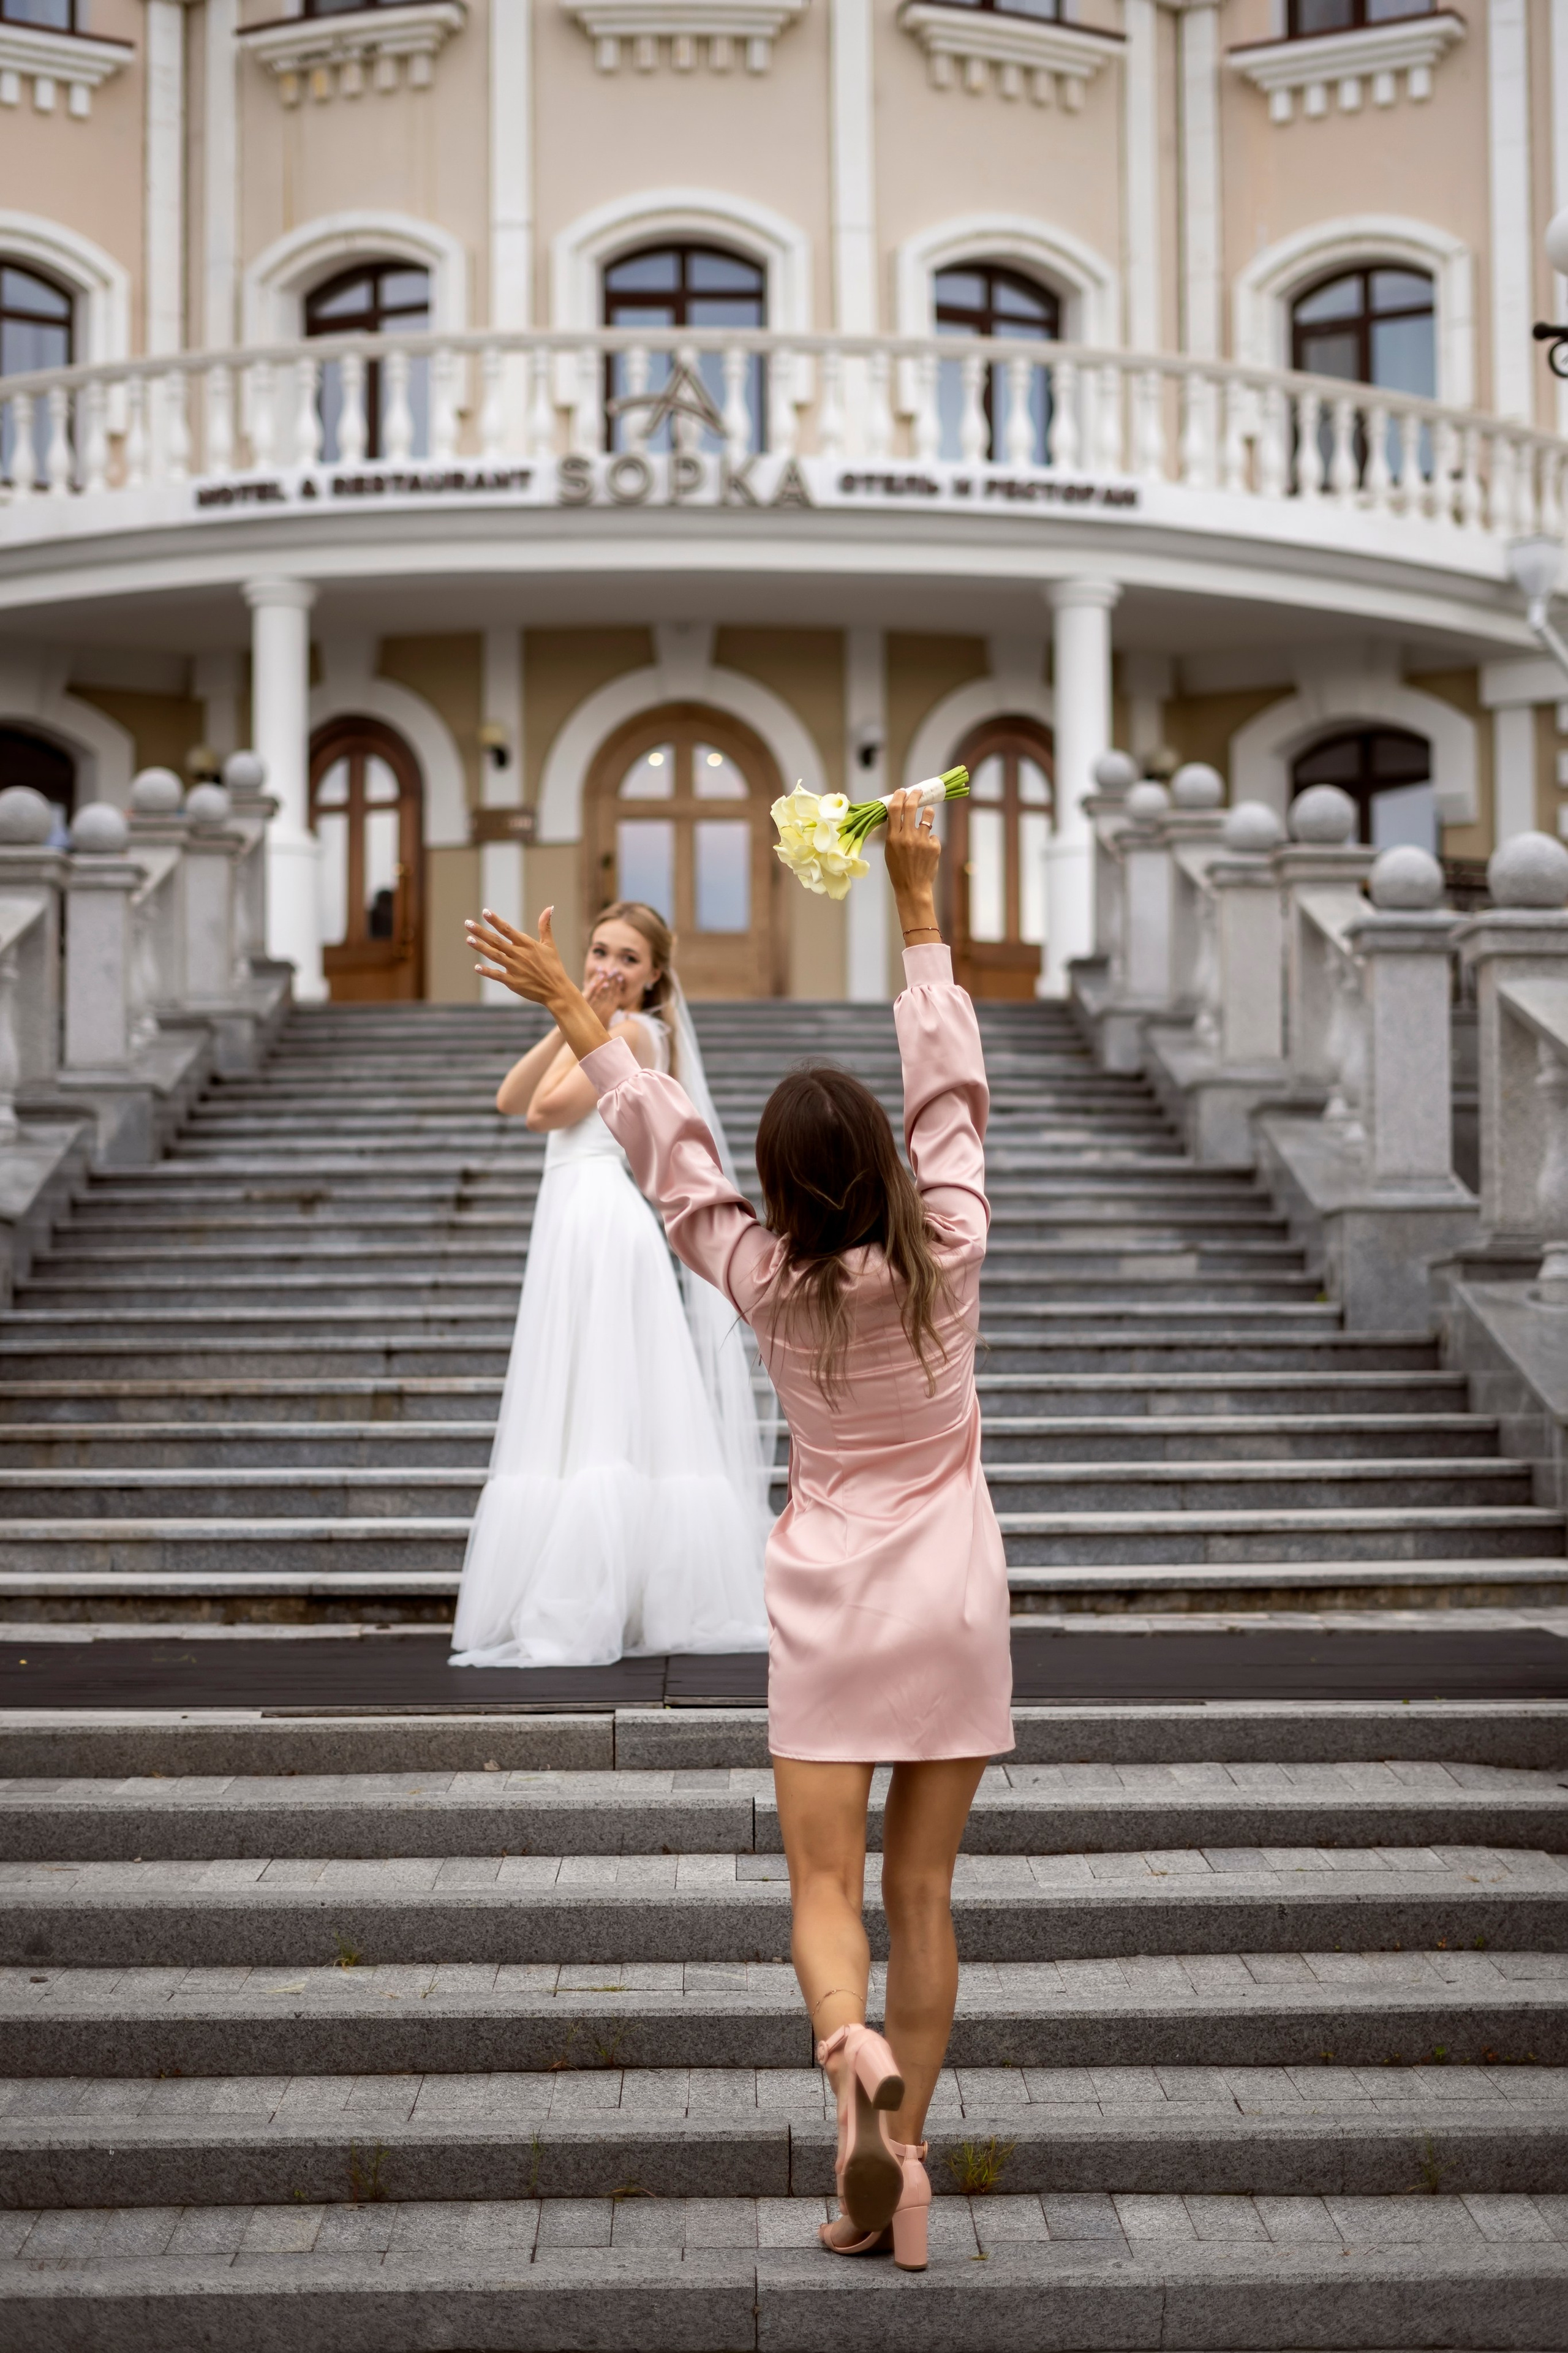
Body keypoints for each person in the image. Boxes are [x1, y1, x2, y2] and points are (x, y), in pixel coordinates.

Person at [466, 796, 1012, 2272]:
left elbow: (667, 1154)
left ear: (779, 1187)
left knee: (824, 1891)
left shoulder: (761, 1276)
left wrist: (582, 1008)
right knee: (922, 1891)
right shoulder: (945, 1247)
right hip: (953, 1591)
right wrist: (915, 906)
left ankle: (848, 2050)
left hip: (829, 1601)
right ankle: (893, 2173)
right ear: (887, 1172)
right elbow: (948, 1092)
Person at [450, 899, 771, 1667]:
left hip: (600, 1216)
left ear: (656, 974)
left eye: (627, 959)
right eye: (598, 952)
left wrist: (577, 1014)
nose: (607, 970)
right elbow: (507, 1096)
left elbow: (544, 1111)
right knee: (591, 1400)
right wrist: (569, 1014)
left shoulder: (634, 1033)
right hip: (572, 1216)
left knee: (601, 1405)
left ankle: (605, 1596)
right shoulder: (598, 1023)